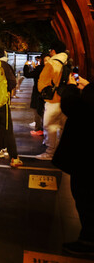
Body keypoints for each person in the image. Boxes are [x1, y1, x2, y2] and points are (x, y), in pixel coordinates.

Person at [51, 72, 93, 256]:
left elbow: (73, 107)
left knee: (85, 194)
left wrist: (70, 88)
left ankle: (88, 241)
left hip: (86, 153)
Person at [36, 40, 68, 160]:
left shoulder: (52, 63)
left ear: (53, 51)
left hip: (53, 100)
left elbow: (42, 83)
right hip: (66, 99)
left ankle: (50, 153)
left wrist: (43, 91)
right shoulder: (68, 61)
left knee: (50, 126)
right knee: (62, 127)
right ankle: (62, 150)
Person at [23, 54, 47, 136]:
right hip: (48, 93)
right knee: (44, 111)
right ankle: (44, 129)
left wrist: (26, 66)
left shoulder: (40, 69)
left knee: (37, 110)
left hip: (38, 92)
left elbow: (27, 75)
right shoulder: (51, 69)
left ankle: (39, 129)